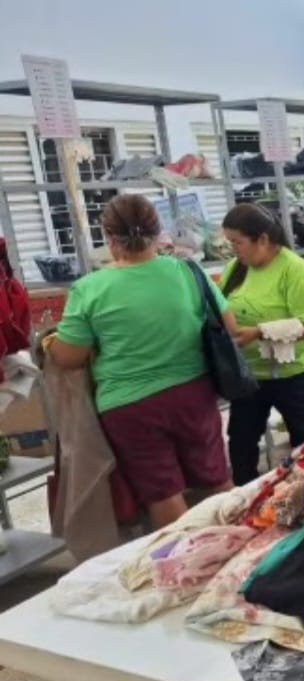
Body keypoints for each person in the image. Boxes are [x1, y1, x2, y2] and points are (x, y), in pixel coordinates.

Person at [48, 194, 237, 528]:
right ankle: (246, 542)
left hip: (130, 406)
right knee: (216, 479)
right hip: (193, 394)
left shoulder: (89, 289)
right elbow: (229, 326)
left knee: (163, 492)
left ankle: (182, 557)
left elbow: (69, 357)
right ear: (158, 231)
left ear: (108, 237)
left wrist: (51, 343)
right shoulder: (188, 271)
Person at [220, 203, 304, 486]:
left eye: (238, 242)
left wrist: (259, 332)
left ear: (263, 239)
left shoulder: (295, 271)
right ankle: (246, 496)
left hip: (294, 374)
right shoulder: (236, 268)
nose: (233, 249)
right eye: (230, 243)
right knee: (241, 441)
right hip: (250, 374)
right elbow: (222, 305)